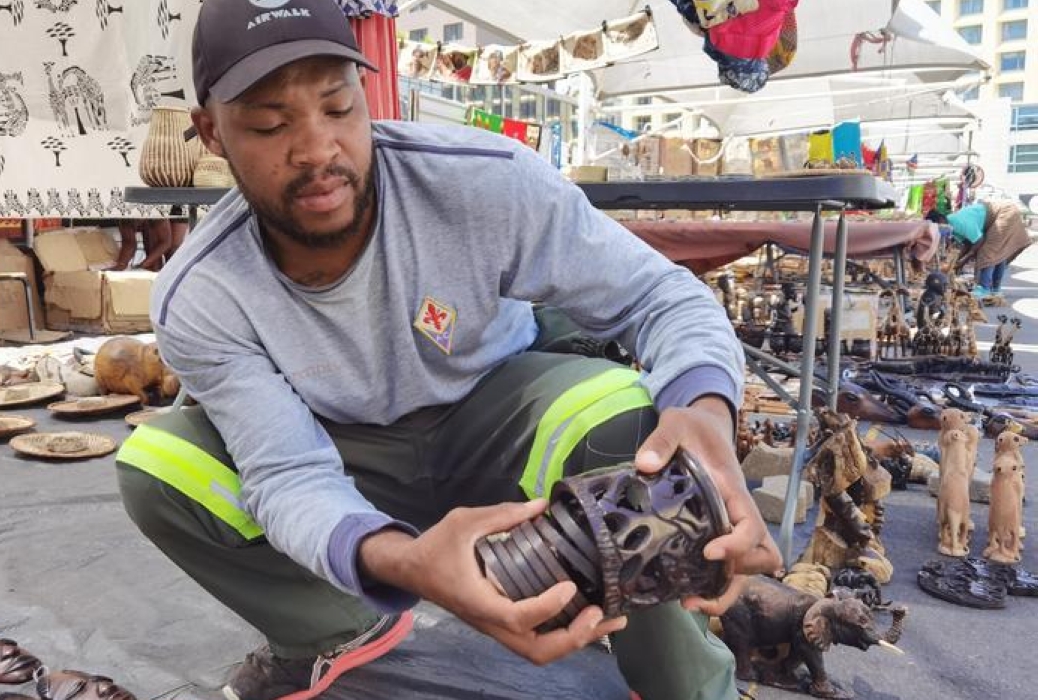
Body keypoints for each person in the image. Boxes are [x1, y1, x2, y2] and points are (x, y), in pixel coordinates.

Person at [114, 2, 780, 700]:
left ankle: (686, 684)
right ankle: (335, 625)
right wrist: (399, 560)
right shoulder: (203, 292)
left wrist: (706, 412)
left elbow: (661, 298)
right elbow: (286, 472)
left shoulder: (482, 182)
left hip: (496, 420)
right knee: (159, 465)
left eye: (338, 107)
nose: (316, 151)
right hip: (342, 450)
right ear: (210, 132)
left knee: (629, 418)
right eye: (269, 124)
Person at [944, 200, 1033, 297]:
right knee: (998, 253)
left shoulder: (957, 223)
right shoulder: (951, 224)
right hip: (1003, 213)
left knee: (988, 251)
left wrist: (964, 260)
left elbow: (979, 241)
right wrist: (956, 261)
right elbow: (967, 244)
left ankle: (984, 288)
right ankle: (995, 289)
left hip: (1005, 213)